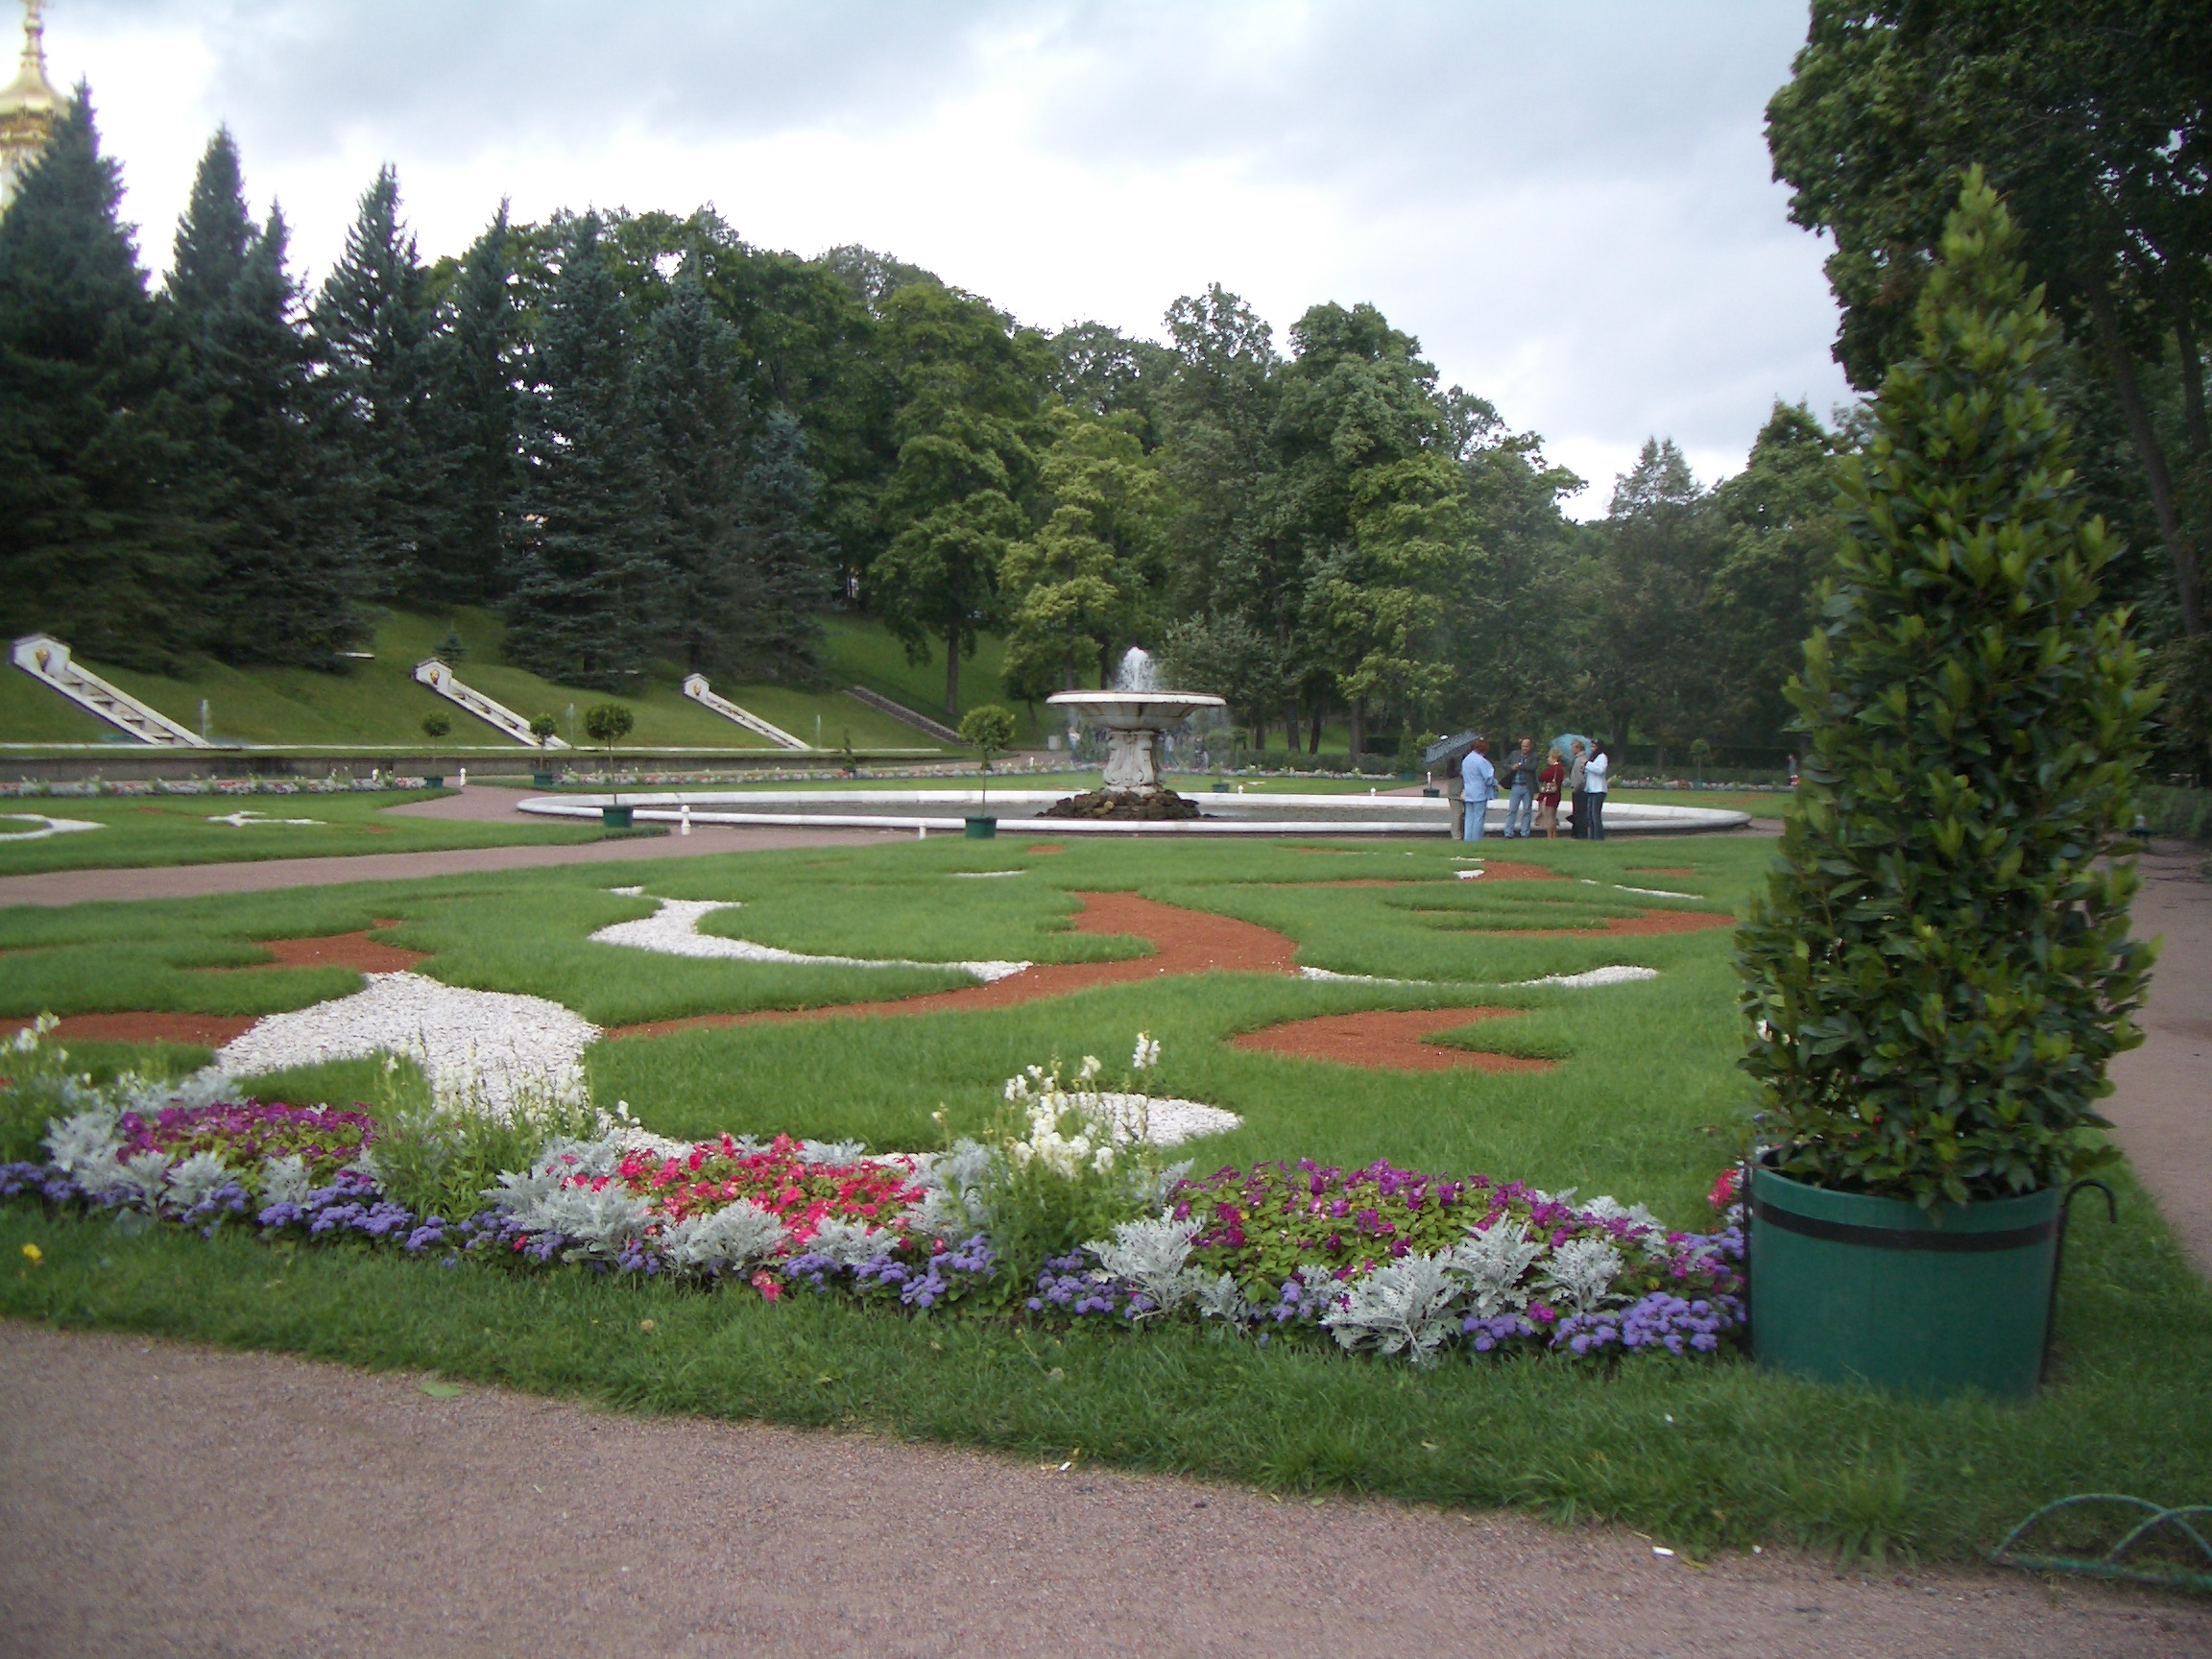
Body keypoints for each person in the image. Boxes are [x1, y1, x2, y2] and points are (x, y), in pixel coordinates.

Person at [1502, 736, 1538, 838]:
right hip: (1516, 785)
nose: (1525, 748)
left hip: (1527, 786)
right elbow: (1504, 764)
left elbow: (1533, 767)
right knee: (1512, 810)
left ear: (1530, 746)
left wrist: (1521, 766)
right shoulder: (1514, 754)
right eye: (1523, 746)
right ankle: (1508, 832)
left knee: (1527, 810)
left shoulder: (1534, 756)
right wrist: (1512, 767)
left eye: (1527, 746)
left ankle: (1525, 832)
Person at [1459, 737, 1496, 841]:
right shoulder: (1481, 761)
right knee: (1478, 818)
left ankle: (1468, 839)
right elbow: (1488, 777)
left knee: (1469, 817)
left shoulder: (1466, 760)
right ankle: (1476, 839)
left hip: (1468, 790)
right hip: (1479, 791)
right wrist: (1494, 783)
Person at [1535, 746, 1565, 838]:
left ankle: (1550, 835)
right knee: (1553, 815)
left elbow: (1542, 777)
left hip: (1550, 795)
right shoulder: (1561, 769)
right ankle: (1554, 834)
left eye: (1550, 757)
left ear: (1554, 758)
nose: (1548, 759)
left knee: (1549, 817)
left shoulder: (1552, 769)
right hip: (1557, 794)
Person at [1584, 741, 1611, 840]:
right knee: (1590, 814)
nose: (1592, 748)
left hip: (1599, 789)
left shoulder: (1602, 757)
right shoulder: (1592, 757)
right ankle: (1592, 835)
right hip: (1591, 788)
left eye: (1594, 746)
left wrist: (1588, 764)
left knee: (1595, 814)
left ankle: (1598, 836)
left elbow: (1600, 770)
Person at [1566, 739, 1590, 839]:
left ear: (1578, 748)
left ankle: (1581, 833)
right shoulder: (1580, 758)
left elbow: (1580, 776)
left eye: (1573, 747)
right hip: (1580, 788)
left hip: (1580, 789)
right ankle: (1578, 832)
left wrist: (1576, 787)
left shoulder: (1580, 760)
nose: (1571, 750)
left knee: (1580, 812)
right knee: (1578, 812)